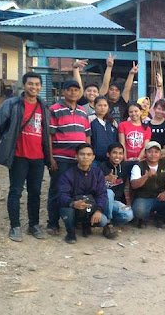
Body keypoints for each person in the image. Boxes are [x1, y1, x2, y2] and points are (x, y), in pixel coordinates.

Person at [0, 72, 51, 242]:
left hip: (38, 158)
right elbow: (0, 125)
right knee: (16, 192)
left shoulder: (43, 106)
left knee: (35, 192)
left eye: (37, 84)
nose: (34, 87)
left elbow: (46, 132)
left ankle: (33, 225)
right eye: (30, 84)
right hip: (19, 156)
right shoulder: (12, 104)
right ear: (24, 85)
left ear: (41, 87)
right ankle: (15, 226)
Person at [47, 80, 91, 235]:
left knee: (76, 191)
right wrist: (51, 158)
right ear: (63, 92)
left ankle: (75, 221)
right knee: (57, 190)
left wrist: (88, 155)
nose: (73, 92)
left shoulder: (83, 111)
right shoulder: (54, 110)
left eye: (76, 90)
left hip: (79, 160)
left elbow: (87, 136)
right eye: (69, 90)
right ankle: (52, 224)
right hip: (61, 158)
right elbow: (49, 136)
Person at [58, 144, 115, 244]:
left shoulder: (97, 173)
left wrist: (98, 210)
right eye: (82, 154)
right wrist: (73, 203)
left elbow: (102, 193)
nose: (85, 157)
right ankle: (71, 233)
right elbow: (62, 194)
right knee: (66, 209)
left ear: (93, 157)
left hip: (91, 208)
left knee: (102, 220)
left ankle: (88, 226)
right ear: (76, 156)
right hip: (74, 208)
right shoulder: (68, 174)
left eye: (89, 154)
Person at [130, 141, 165, 229]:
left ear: (160, 154)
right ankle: (143, 219)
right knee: (139, 210)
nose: (153, 154)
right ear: (145, 153)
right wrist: (146, 176)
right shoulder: (138, 166)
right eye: (150, 152)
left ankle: (159, 218)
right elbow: (134, 185)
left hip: (159, 196)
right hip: (143, 198)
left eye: (156, 152)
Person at [99, 143, 134, 226]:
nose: (117, 156)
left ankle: (110, 222)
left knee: (129, 215)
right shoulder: (101, 167)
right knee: (109, 193)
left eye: (120, 153)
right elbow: (92, 185)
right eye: (114, 153)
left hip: (116, 201)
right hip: (102, 201)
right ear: (108, 154)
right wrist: (105, 178)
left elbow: (144, 162)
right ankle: (108, 223)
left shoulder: (125, 166)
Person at [98, 54, 137, 124]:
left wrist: (131, 74)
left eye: (116, 90)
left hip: (119, 131)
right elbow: (105, 83)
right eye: (111, 89)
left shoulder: (122, 103)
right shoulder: (104, 101)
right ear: (108, 90)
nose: (114, 92)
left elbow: (127, 89)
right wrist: (109, 67)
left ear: (119, 93)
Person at [90, 96, 117, 166]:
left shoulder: (112, 122)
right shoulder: (90, 120)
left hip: (110, 160)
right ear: (94, 106)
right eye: (100, 105)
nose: (102, 108)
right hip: (95, 160)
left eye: (105, 105)